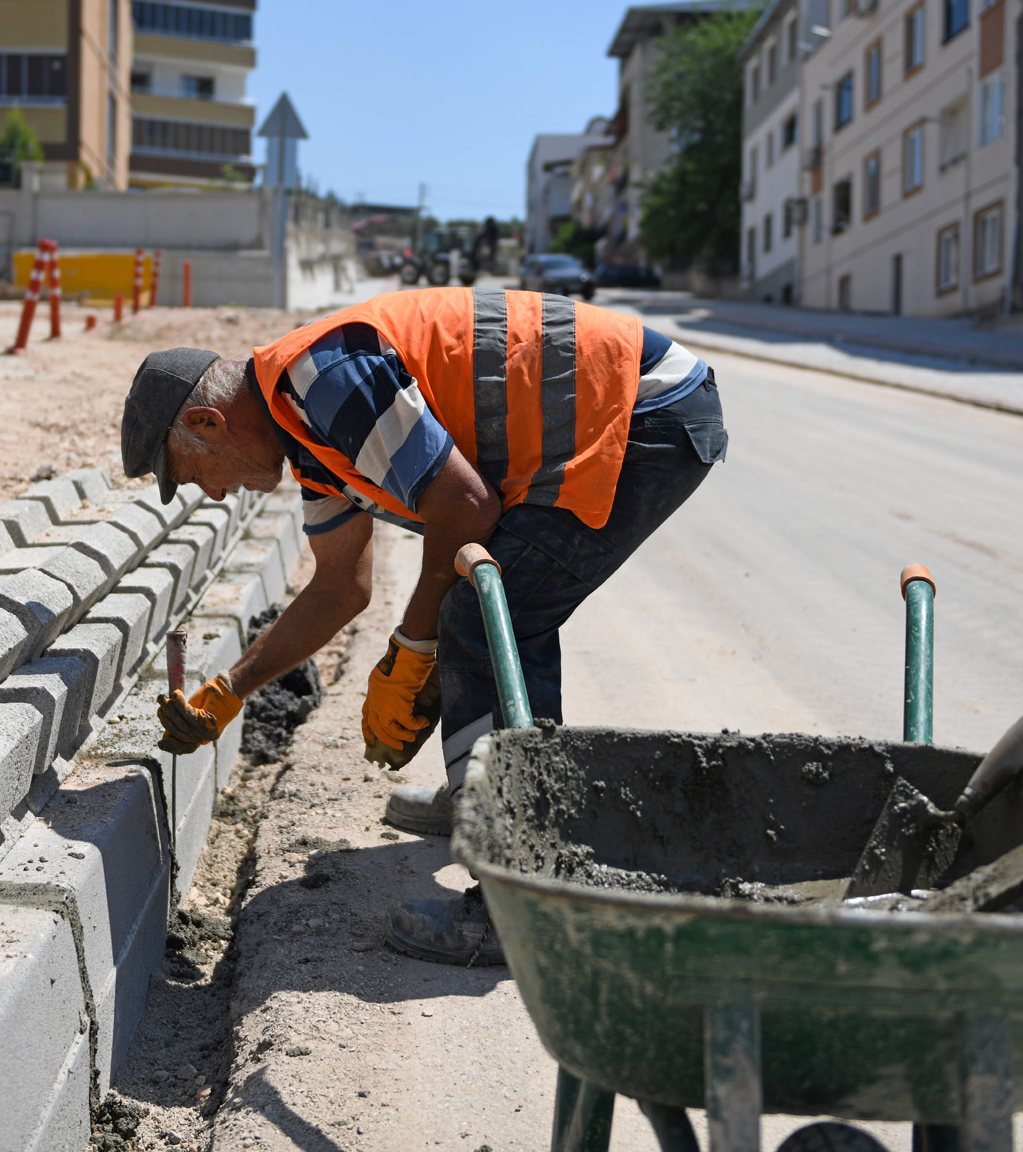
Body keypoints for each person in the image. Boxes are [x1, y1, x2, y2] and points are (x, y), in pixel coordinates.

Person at [120, 287, 725, 964]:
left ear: (206, 421)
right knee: (491, 604)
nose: (214, 491)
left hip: (646, 409)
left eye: (193, 472)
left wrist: (412, 651)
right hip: (626, 408)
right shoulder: (309, 439)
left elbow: (464, 506)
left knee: (482, 615)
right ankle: (487, 791)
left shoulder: (321, 380)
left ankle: (520, 903)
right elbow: (339, 587)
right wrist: (229, 689)